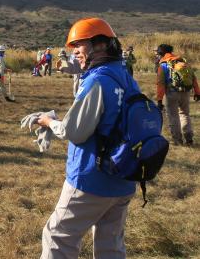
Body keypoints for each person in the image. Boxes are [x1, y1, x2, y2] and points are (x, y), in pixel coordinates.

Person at [36, 18, 140, 259]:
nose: (75, 52)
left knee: (57, 237)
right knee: (110, 246)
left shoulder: (96, 80)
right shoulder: (125, 76)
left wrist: (48, 122)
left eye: (79, 45)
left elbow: (74, 132)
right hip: (124, 177)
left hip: (92, 179)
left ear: (99, 45)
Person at [156, 44, 199, 146]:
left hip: (171, 93)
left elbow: (160, 84)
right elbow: (194, 78)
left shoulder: (163, 65)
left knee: (173, 116)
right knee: (185, 114)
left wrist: (159, 100)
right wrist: (197, 92)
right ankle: (189, 139)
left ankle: (178, 140)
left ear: (161, 53)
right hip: (186, 92)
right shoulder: (182, 62)